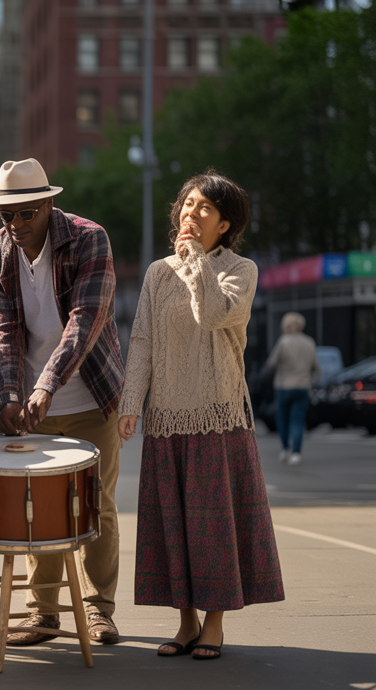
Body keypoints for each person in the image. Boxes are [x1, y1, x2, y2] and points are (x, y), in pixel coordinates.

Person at [119, 170, 284, 660]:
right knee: (172, 525)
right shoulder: (156, 273)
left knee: (213, 526)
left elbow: (211, 313)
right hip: (167, 415)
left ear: (225, 224)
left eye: (204, 208)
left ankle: (214, 622)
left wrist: (194, 263)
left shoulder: (241, 269)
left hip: (217, 414)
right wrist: (132, 403)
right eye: (187, 205)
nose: (191, 214)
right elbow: (143, 340)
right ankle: (185, 621)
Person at [0, 158, 125, 646]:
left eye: (25, 213)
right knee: (39, 507)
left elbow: (86, 320)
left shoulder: (88, 238)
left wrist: (44, 387)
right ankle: (44, 612)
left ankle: (99, 610)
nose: (15, 225)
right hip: (35, 403)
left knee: (94, 505)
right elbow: (2, 333)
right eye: (6, 216)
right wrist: (13, 396)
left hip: (91, 393)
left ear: (47, 204)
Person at [266, 312, 319, 466]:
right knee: (298, 420)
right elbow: (316, 367)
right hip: (303, 386)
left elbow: (272, 363)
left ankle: (285, 449)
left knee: (282, 419)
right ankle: (296, 452)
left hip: (283, 386)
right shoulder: (309, 342)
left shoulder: (284, 342)